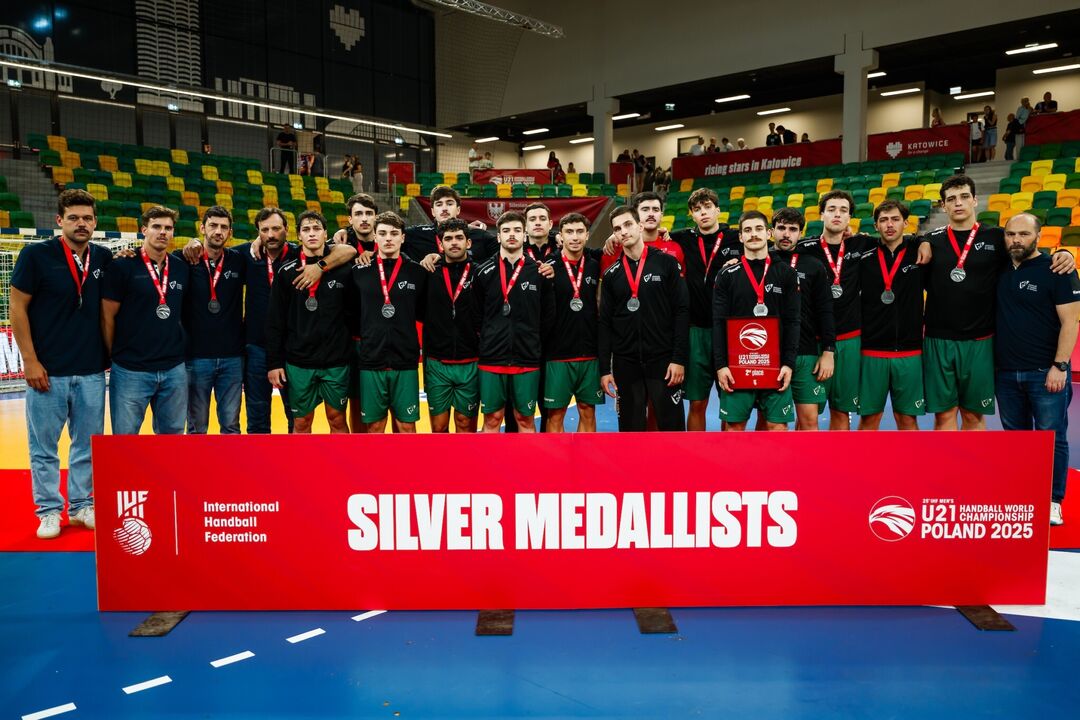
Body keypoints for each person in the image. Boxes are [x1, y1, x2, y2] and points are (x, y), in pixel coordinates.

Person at [916, 175, 1075, 431]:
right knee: (943, 415)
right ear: (943, 206)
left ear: (975, 200)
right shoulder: (930, 240)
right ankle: (948, 472)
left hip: (981, 341)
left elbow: (1028, 252)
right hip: (938, 340)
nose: (958, 203)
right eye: (951, 199)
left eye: (964, 197)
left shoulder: (997, 238)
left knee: (973, 415)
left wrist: (1063, 254)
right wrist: (920, 239)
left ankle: (972, 472)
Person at [10, 189, 110, 539]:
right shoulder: (36, 256)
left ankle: (82, 504)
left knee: (87, 444)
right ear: (59, 221)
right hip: (47, 372)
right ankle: (49, 511)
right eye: (73, 218)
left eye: (86, 218)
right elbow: (17, 307)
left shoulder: (103, 258)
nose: (81, 224)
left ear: (95, 222)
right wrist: (30, 360)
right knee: (44, 448)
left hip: (92, 371)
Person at [995, 213, 1080, 526]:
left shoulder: (1057, 270)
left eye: (1023, 234)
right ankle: (1023, 493)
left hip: (1045, 371)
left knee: (1051, 437)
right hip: (1005, 373)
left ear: (1039, 236)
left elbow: (1071, 322)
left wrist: (1060, 365)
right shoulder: (1000, 268)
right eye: (1010, 234)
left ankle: (1053, 500)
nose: (1016, 240)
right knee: (1016, 439)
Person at [598, 205, 688, 431]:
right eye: (618, 229)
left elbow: (681, 311)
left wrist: (678, 359)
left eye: (628, 224)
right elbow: (605, 323)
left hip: (663, 361)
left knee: (672, 427)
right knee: (630, 429)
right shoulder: (611, 276)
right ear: (615, 235)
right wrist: (604, 370)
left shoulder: (666, 263)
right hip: (626, 364)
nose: (624, 231)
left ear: (639, 225)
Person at [101, 205, 190, 435]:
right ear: (144, 230)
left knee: (172, 439)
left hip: (173, 369)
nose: (163, 232)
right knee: (125, 439)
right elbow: (107, 316)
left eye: (168, 228)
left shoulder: (180, 268)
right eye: (156, 226)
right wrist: (116, 354)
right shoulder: (123, 266)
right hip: (131, 370)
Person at [795, 191, 878, 430]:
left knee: (841, 411)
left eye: (843, 210)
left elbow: (898, 240)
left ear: (850, 217)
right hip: (814, 341)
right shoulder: (804, 248)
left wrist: (922, 241)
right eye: (831, 209)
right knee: (806, 414)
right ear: (821, 214)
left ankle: (836, 463)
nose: (837, 214)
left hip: (849, 340)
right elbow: (767, 254)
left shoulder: (861, 244)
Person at [265, 211, 353, 434]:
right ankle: (302, 469)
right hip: (299, 361)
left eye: (316, 229)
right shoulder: (285, 273)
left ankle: (342, 469)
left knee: (337, 420)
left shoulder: (344, 270)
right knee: (302, 422)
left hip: (336, 361)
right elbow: (275, 322)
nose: (312, 234)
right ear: (299, 236)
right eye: (306, 230)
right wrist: (274, 363)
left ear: (326, 234)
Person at [713, 211, 800, 431]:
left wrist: (788, 363)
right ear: (740, 237)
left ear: (769, 233)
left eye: (759, 229)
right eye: (748, 230)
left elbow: (792, 321)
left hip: (775, 366)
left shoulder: (787, 273)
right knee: (733, 429)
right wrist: (721, 365)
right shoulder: (726, 275)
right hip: (736, 366)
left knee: (778, 429)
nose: (753, 235)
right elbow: (718, 323)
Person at [666, 188, 742, 430]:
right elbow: (647, 238)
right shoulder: (681, 238)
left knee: (728, 402)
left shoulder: (737, 238)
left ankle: (725, 457)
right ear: (692, 215)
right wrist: (611, 239)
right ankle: (697, 456)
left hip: (729, 331)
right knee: (697, 402)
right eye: (697, 210)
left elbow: (779, 248)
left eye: (708, 207)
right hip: (696, 331)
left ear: (718, 210)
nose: (703, 213)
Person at [474, 211, 554, 432]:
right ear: (498, 236)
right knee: (492, 419)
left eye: (517, 230)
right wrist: (490, 338)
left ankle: (526, 467)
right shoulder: (483, 272)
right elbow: (475, 315)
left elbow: (547, 317)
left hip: (527, 358)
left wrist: (533, 340)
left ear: (525, 235)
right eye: (506, 231)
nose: (512, 235)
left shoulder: (539, 272)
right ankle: (487, 468)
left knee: (524, 419)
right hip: (492, 357)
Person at [349, 212, 427, 433]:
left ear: (403, 237)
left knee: (406, 427)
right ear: (375, 236)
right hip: (371, 360)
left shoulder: (417, 273)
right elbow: (352, 313)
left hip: (405, 362)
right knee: (374, 428)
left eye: (394, 234)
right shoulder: (359, 272)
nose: (388, 238)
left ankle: (407, 469)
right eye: (382, 233)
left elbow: (423, 312)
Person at [857, 201, 925, 431]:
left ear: (905, 223)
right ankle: (863, 468)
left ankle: (912, 467)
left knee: (907, 420)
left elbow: (930, 239)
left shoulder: (919, 252)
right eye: (883, 220)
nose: (889, 225)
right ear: (876, 225)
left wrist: (921, 239)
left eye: (895, 219)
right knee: (869, 420)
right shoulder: (864, 256)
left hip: (910, 351)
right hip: (872, 350)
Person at [768, 208, 835, 431]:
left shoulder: (813, 265)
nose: (786, 234)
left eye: (793, 229)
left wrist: (828, 350)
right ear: (771, 231)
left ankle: (807, 466)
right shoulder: (760, 261)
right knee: (771, 422)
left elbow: (825, 310)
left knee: (809, 422)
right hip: (770, 353)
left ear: (800, 233)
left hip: (806, 351)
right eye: (781, 228)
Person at [181, 206, 245, 434]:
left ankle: (229, 470)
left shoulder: (239, 259)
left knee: (231, 425)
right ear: (202, 228)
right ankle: (197, 470)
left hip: (232, 358)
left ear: (230, 232)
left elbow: (265, 244)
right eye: (213, 226)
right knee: (197, 427)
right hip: (196, 358)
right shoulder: (184, 259)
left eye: (224, 227)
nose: (218, 231)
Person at [542, 213, 603, 432]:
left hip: (589, 352)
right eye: (569, 232)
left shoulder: (595, 265)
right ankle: (555, 466)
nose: (575, 237)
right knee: (556, 415)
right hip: (557, 354)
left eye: (579, 232)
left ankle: (585, 463)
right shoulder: (547, 267)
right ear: (561, 236)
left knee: (588, 411)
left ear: (587, 235)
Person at [422, 219, 482, 433]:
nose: (453, 243)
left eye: (459, 238)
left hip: (471, 361)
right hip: (437, 363)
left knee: (466, 425)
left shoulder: (481, 273)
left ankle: (466, 467)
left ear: (468, 243)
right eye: (448, 238)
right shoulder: (428, 273)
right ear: (440, 244)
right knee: (438, 428)